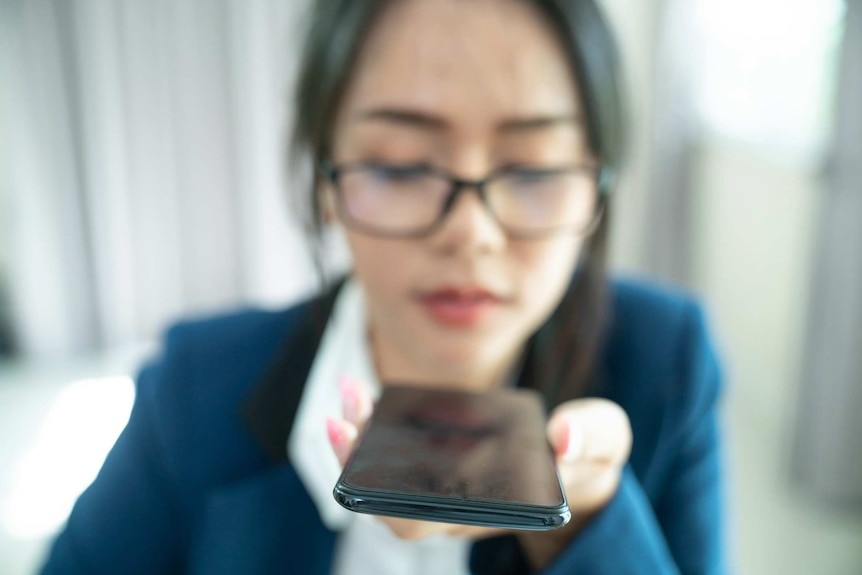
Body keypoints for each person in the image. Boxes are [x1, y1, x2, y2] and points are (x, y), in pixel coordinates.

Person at [40, 0, 725, 573]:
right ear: (325, 182)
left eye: (533, 170)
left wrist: (587, 523)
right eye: (400, 168)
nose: (471, 233)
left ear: (596, 187)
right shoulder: (194, 388)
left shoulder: (670, 365)